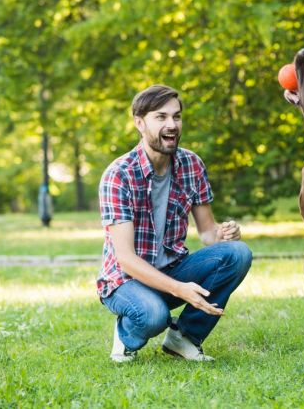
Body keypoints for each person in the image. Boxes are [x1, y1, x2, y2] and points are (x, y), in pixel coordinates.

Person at [97, 84, 252, 363]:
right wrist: (179, 289)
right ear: (140, 123)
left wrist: (224, 233)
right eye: (161, 117)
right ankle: (126, 334)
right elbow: (126, 259)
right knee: (154, 315)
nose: (172, 125)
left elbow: (207, 232)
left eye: (176, 117)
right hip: (126, 280)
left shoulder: (191, 164)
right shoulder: (118, 175)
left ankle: (185, 337)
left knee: (238, 253)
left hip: (173, 269)